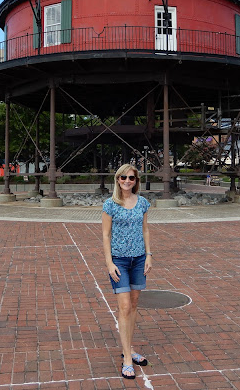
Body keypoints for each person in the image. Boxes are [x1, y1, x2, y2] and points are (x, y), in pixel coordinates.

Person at [102, 163, 152, 380]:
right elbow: (105, 235)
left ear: (136, 181)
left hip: (139, 259)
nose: (127, 181)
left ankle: (129, 348)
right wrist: (109, 263)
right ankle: (127, 360)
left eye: (131, 178)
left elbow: (145, 229)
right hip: (119, 261)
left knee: (133, 306)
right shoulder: (110, 204)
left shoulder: (142, 203)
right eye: (123, 178)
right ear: (117, 180)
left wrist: (149, 255)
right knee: (123, 307)